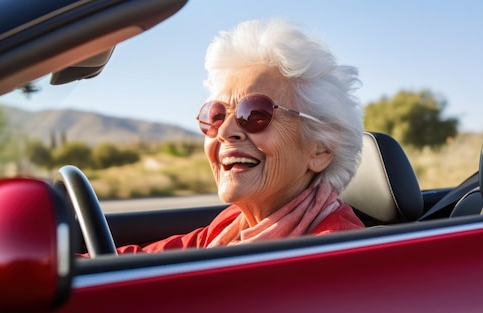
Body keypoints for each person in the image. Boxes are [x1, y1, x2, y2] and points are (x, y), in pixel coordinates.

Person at [117, 18, 365, 253]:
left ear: (321, 149)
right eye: (215, 115)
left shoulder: (336, 253)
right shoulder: (233, 225)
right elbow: (139, 261)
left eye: (255, 113)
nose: (224, 132)